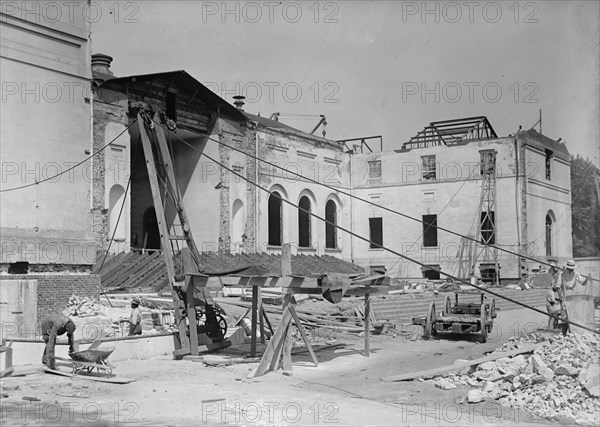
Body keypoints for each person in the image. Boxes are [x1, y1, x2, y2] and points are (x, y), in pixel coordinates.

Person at [560, 260, 591, 334]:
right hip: (565, 295)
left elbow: (583, 283)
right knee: (564, 315)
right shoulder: (561, 274)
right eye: (570, 268)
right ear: (567, 267)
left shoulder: (575, 273)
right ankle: (564, 332)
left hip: (573, 295)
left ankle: (574, 331)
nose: (572, 269)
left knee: (574, 313)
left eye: (573, 268)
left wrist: (587, 279)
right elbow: (558, 287)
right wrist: (561, 299)